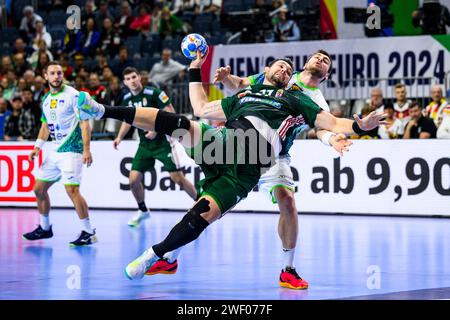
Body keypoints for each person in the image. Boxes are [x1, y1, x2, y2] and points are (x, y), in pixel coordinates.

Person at [76, 53, 386, 283]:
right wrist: (196, 69)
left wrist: (360, 126)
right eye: (281, 65)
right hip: (223, 141)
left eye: (287, 68)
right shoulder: (247, 93)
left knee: (205, 213)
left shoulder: (300, 98)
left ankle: (155, 255)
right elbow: (202, 107)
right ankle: (103, 109)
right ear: (269, 70)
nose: (284, 69)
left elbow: (329, 123)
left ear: (326, 74)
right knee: (182, 124)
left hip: (259, 159)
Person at [189, 49, 351, 289]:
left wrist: (331, 140)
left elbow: (322, 127)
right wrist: (226, 79)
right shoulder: (282, 74)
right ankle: (171, 254)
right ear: (306, 62)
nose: (320, 60)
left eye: (326, 60)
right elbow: (243, 84)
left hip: (275, 155)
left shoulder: (317, 100)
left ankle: (288, 269)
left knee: (288, 201)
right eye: (317, 56)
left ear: (326, 75)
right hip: (242, 142)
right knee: (208, 203)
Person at [22, 61, 97, 247]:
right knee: (39, 189)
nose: (56, 76)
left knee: (72, 190)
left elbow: (84, 124)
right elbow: (45, 126)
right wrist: (37, 147)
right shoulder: (46, 99)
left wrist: (87, 149)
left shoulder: (73, 95)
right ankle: (45, 228)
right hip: (55, 150)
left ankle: (88, 232)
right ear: (45, 76)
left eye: (59, 73)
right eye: (53, 73)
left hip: (72, 150)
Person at [114, 67, 197, 227]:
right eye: (128, 79)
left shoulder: (154, 93)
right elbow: (127, 120)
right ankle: (143, 210)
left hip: (163, 142)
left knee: (177, 178)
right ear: (125, 82)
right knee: (133, 180)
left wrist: (155, 128)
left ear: (139, 77)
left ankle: (199, 203)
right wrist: (119, 137)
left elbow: (171, 113)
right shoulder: (126, 99)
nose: (132, 80)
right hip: (144, 145)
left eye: (134, 77)